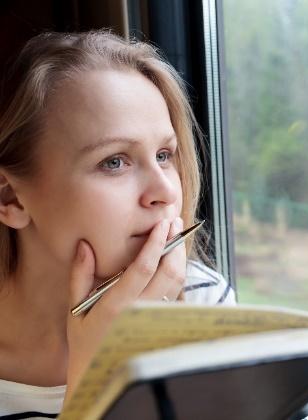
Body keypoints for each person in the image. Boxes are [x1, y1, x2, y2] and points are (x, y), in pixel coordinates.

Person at [0, 30, 235, 418]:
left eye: (164, 155)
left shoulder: (203, 299)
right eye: (114, 161)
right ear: (10, 198)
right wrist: (99, 377)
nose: (164, 192)